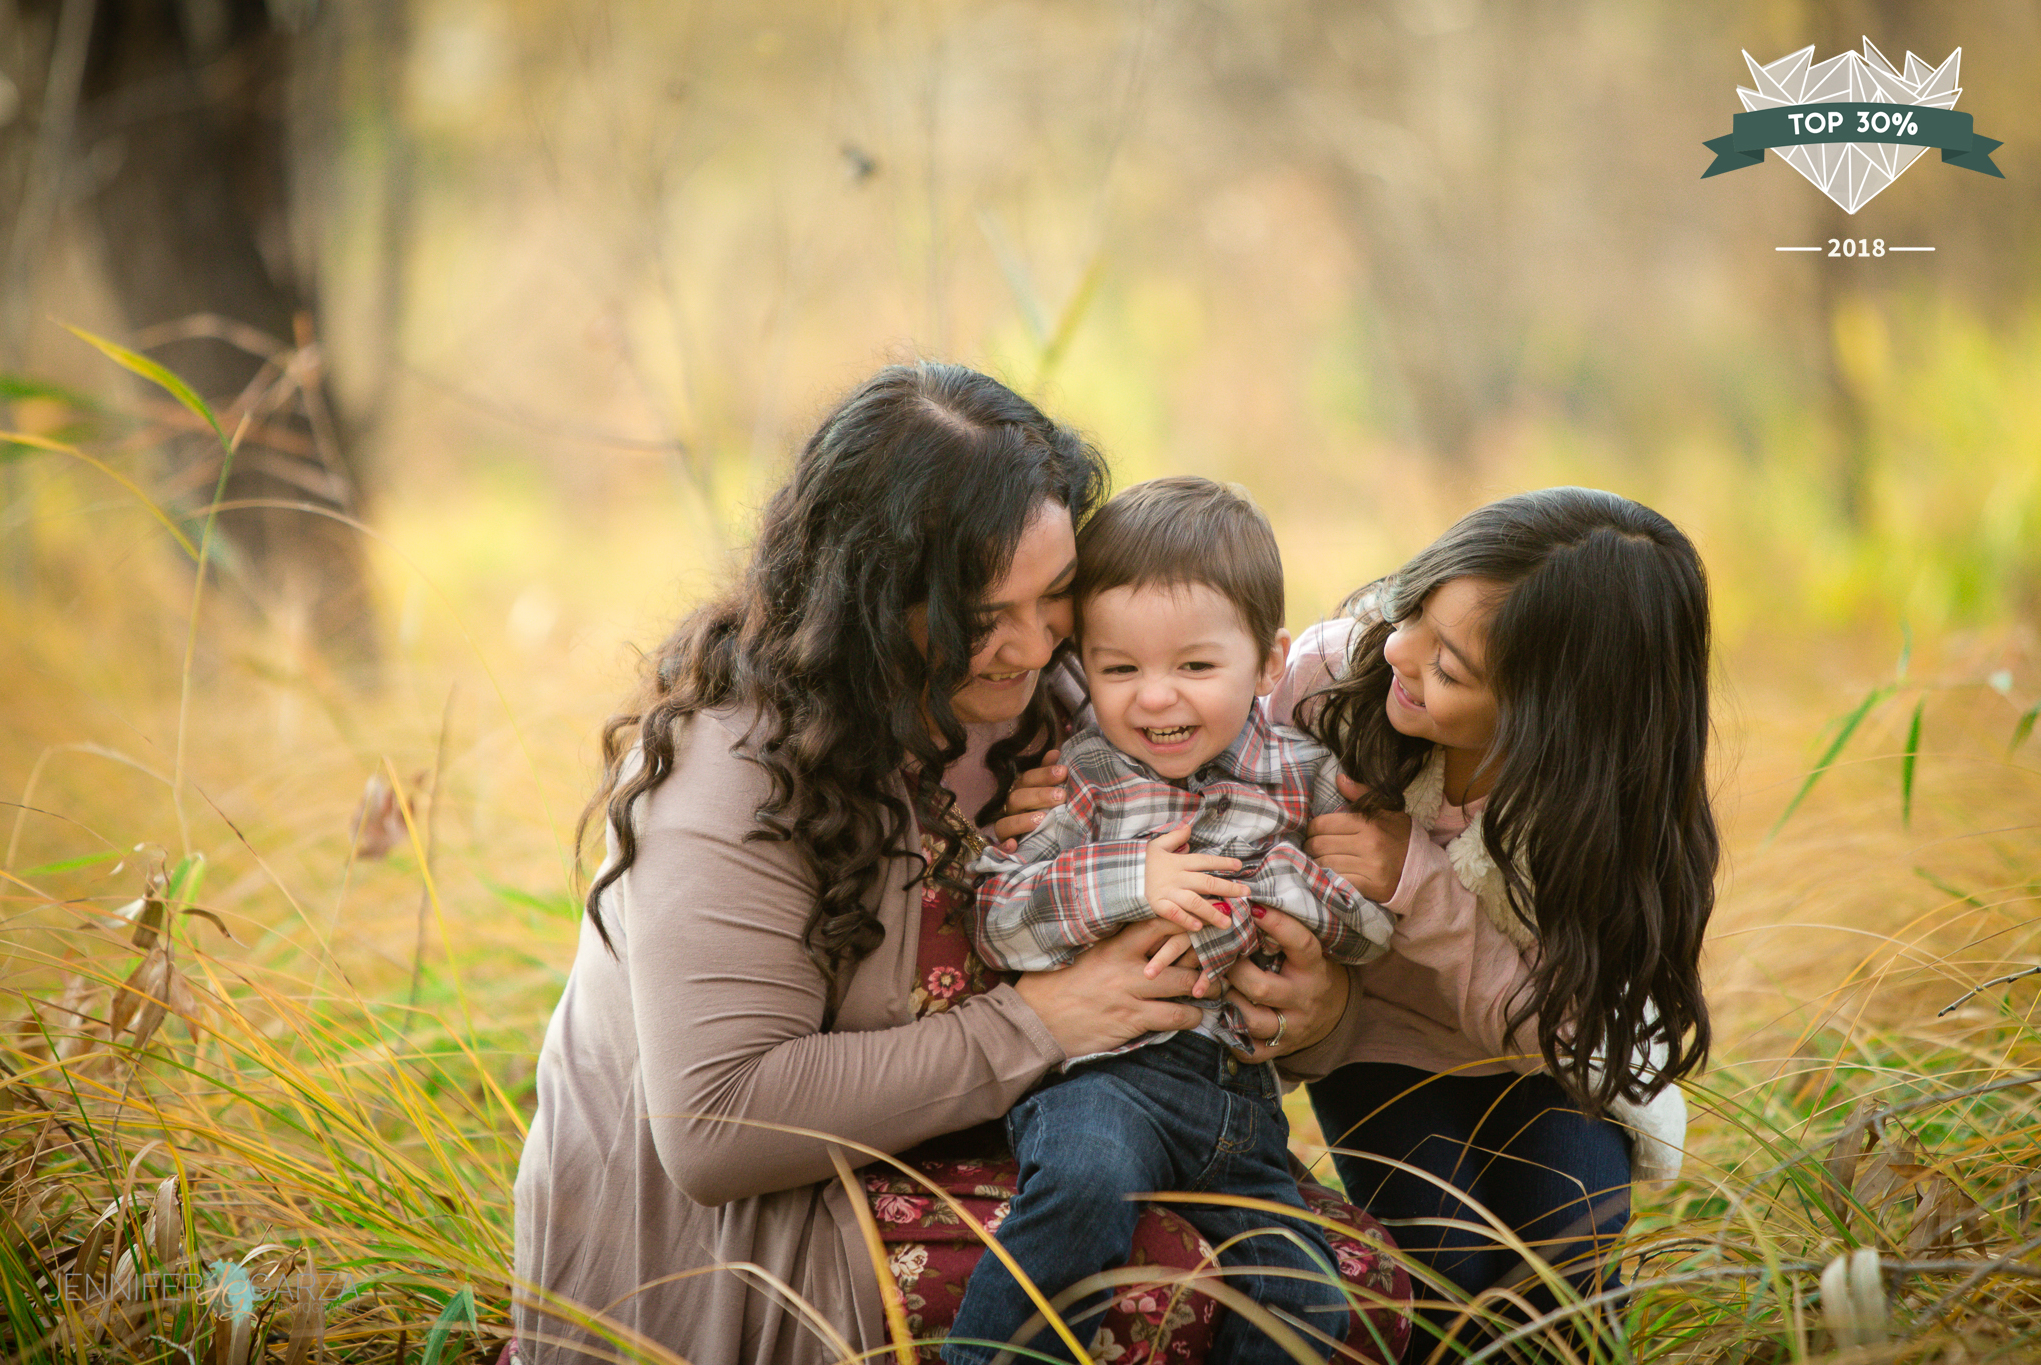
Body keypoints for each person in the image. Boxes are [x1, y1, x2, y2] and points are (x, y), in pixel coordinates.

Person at [510, 363, 1397, 1365]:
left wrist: (1312, 1014)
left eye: (1054, 595)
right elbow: (714, 1126)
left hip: (1027, 1134)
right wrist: (1039, 1023)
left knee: (1350, 1284)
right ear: (871, 600)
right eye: (979, 616)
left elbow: (1248, 897)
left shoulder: (1085, 701)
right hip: (768, 1227)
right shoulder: (736, 770)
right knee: (1152, 1293)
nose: (1028, 647)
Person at [943, 478, 1396, 1365]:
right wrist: (1131, 880)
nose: (1155, 699)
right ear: (1087, 665)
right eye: (1120, 670)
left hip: (1243, 1106)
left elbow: (1369, 931)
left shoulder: (1306, 779)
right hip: (1106, 1082)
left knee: (1303, 1300)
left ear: (1266, 664)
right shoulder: (1082, 776)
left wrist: (1297, 890)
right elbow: (998, 920)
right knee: (1084, 1187)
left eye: (1194, 667)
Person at [1274, 487, 1717, 1360]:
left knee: (1569, 1250)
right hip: (1378, 1032)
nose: (1401, 652)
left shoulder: (1594, 814)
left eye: (1451, 668)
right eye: (1415, 612)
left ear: (1556, 721)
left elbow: (1560, 1023)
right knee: (1448, 1264)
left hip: (1538, 1047)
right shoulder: (1334, 679)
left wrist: (1417, 881)